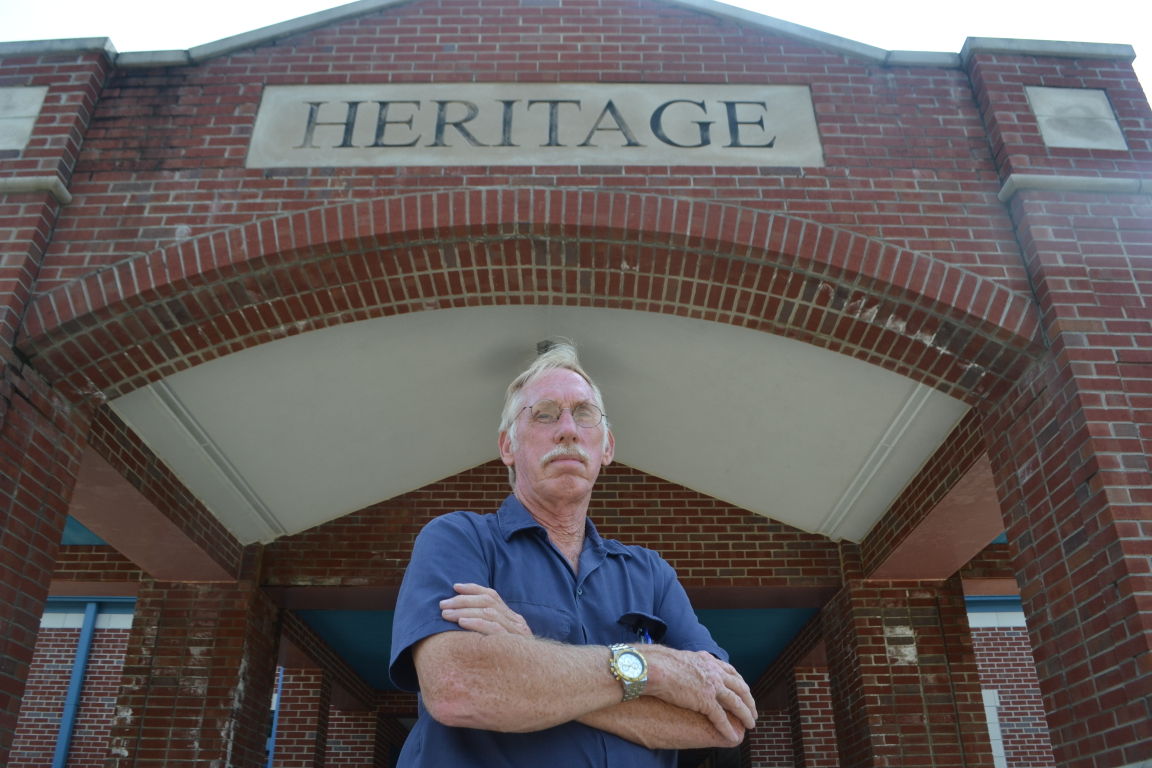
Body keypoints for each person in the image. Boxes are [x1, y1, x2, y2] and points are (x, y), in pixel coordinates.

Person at [388, 340, 757, 766]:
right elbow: (457, 686)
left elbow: (724, 719)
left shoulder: (650, 574)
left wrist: (527, 656)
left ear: (607, 448)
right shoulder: (459, 539)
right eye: (544, 414)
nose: (568, 428)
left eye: (584, 413)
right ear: (508, 446)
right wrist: (650, 668)